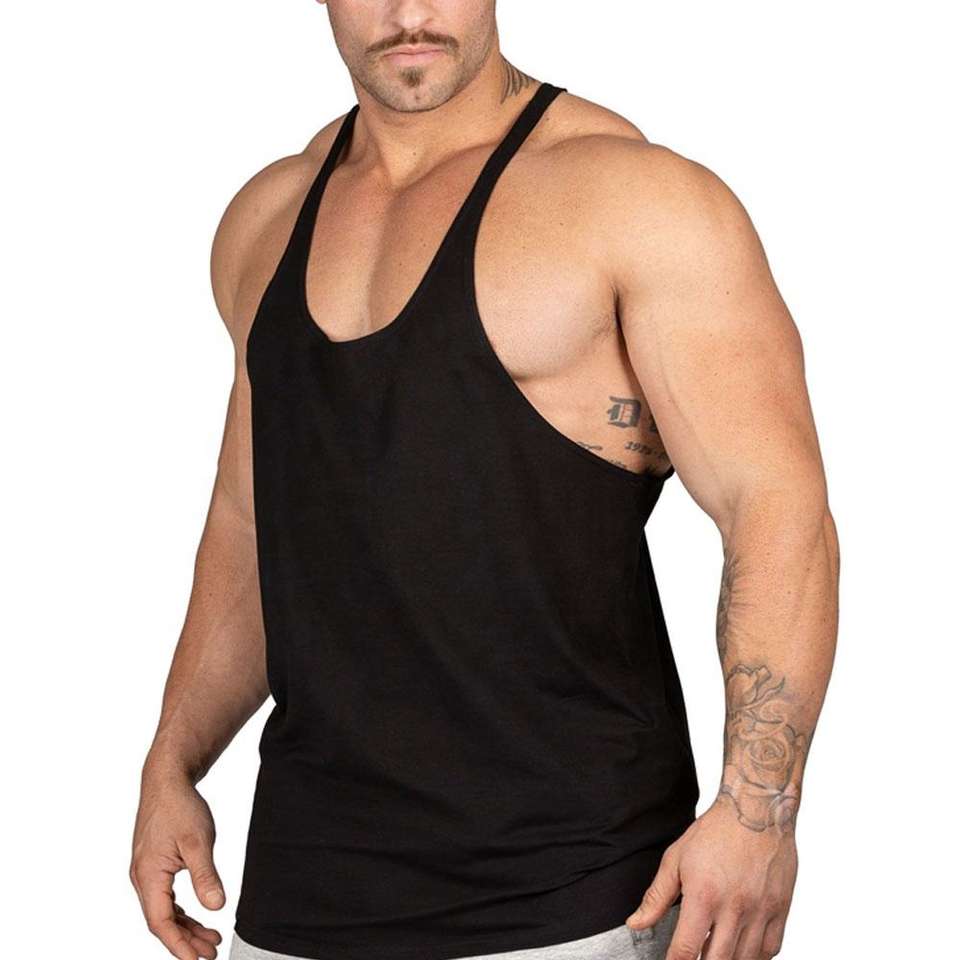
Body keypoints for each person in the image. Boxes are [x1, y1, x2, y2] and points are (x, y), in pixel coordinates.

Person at [129, 3, 840, 960]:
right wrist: (172, 760)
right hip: (301, 896)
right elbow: (251, 520)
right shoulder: (265, 219)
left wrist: (758, 815)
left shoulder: (633, 198)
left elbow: (777, 508)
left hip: (576, 898)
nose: (408, 12)